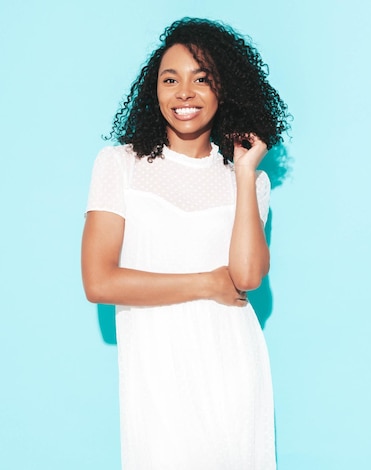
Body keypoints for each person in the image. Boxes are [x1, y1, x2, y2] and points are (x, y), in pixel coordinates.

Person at [81, 17, 290, 470]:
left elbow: (248, 277)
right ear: (154, 90)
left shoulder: (249, 181)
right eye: (170, 79)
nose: (184, 93)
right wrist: (204, 284)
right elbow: (99, 281)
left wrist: (245, 172)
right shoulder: (121, 166)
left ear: (224, 89)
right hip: (157, 367)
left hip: (232, 361)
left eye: (202, 79)